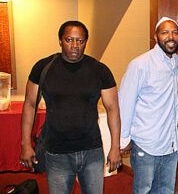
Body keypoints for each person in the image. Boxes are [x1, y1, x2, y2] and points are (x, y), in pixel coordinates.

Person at [20, 20, 122, 194]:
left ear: (85, 42)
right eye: (69, 40)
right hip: (56, 152)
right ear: (60, 41)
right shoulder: (43, 67)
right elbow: (30, 105)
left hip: (92, 150)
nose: (75, 45)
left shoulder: (99, 70)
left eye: (80, 41)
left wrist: (115, 147)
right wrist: (25, 143)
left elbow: (113, 108)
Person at [119, 17, 178, 193]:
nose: (170, 36)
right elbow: (125, 102)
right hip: (146, 143)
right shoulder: (140, 65)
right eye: (164, 32)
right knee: (143, 190)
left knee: (166, 190)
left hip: (170, 144)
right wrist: (123, 139)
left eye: (174, 32)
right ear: (156, 37)